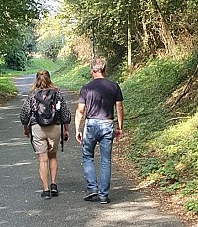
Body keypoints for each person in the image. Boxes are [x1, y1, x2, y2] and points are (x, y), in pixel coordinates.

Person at [75, 57, 124, 205]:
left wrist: (77, 128)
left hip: (91, 125)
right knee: (105, 160)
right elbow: (119, 108)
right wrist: (120, 127)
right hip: (107, 124)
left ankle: (92, 188)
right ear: (104, 70)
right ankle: (103, 195)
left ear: (92, 71)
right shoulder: (114, 86)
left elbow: (80, 111)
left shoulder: (86, 88)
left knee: (87, 156)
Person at [20, 69, 71, 199]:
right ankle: (54, 185)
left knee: (43, 160)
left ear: (36, 79)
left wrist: (26, 128)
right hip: (55, 127)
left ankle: (46, 190)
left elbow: (25, 114)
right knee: (52, 156)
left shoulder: (32, 94)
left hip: (37, 127)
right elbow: (65, 113)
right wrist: (66, 129)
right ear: (49, 78)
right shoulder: (57, 93)